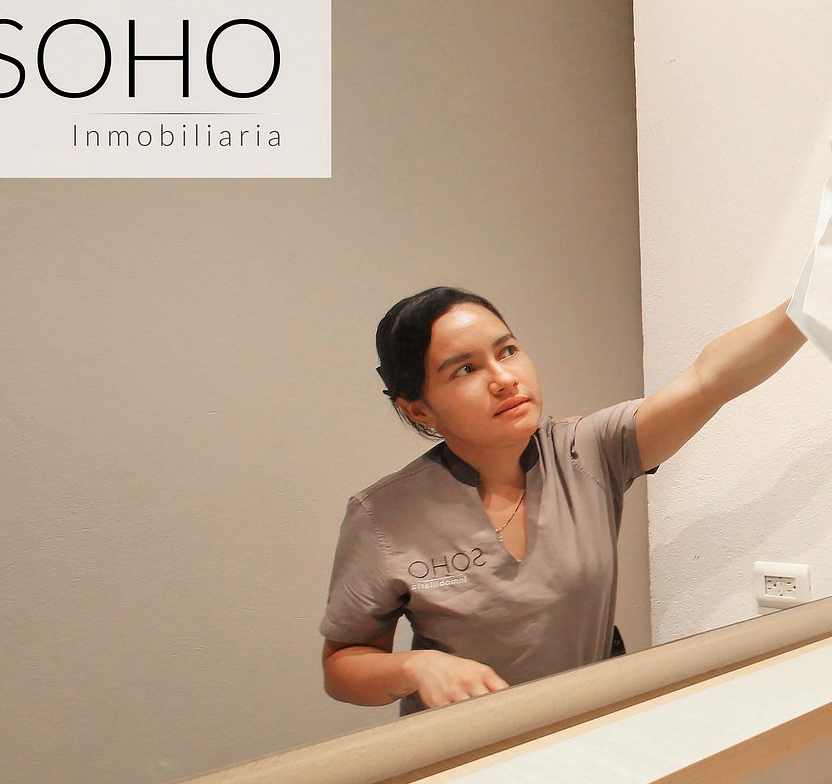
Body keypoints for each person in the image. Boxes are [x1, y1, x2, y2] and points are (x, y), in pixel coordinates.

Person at [321, 289, 803, 713]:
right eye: (465, 369)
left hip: (586, 727)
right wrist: (416, 668)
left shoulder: (588, 452)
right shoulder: (384, 514)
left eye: (507, 351)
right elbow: (343, 667)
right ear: (418, 409)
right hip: (462, 751)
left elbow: (709, 378)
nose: (503, 378)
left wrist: (819, 290)